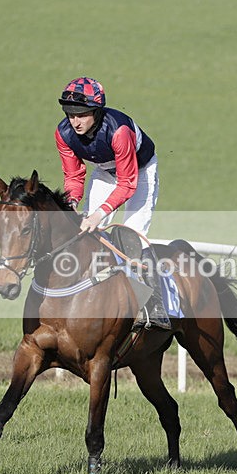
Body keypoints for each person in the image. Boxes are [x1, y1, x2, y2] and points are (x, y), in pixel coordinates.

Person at [55, 76, 170, 330]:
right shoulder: (63, 134)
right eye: (70, 114)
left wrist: (100, 213)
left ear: (96, 111)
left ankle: (156, 306)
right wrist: (71, 201)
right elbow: (73, 176)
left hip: (139, 173)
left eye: (82, 114)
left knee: (133, 236)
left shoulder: (119, 131)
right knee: (87, 231)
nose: (75, 121)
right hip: (106, 172)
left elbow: (128, 182)